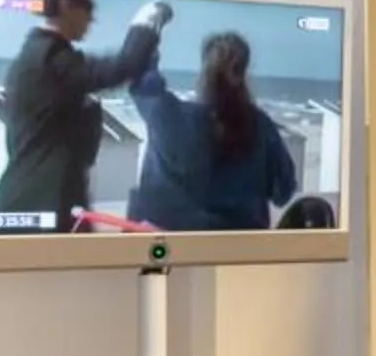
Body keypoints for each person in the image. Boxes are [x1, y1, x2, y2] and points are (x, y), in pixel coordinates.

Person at [0, 0, 169, 230]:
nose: (92, 20)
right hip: (43, 204)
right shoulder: (52, 60)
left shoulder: (36, 55)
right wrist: (147, 22)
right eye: (89, 9)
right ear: (66, 7)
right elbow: (124, 66)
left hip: (33, 200)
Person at [128, 31, 299, 232]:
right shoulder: (261, 127)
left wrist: (148, 37)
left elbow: (144, 84)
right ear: (244, 72)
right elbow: (283, 192)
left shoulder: (171, 116)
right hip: (237, 247)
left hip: (168, 246)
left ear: (204, 68)